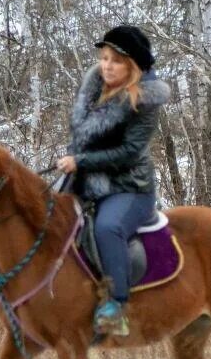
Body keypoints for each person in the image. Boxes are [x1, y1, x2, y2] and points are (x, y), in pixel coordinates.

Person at [57, 25, 171, 337]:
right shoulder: (94, 91)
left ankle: (116, 307)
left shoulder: (144, 101)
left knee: (107, 227)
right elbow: (81, 139)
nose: (107, 65)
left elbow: (129, 152)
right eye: (104, 58)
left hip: (129, 187)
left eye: (116, 60)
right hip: (87, 182)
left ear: (132, 65)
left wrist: (79, 161)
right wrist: (73, 161)